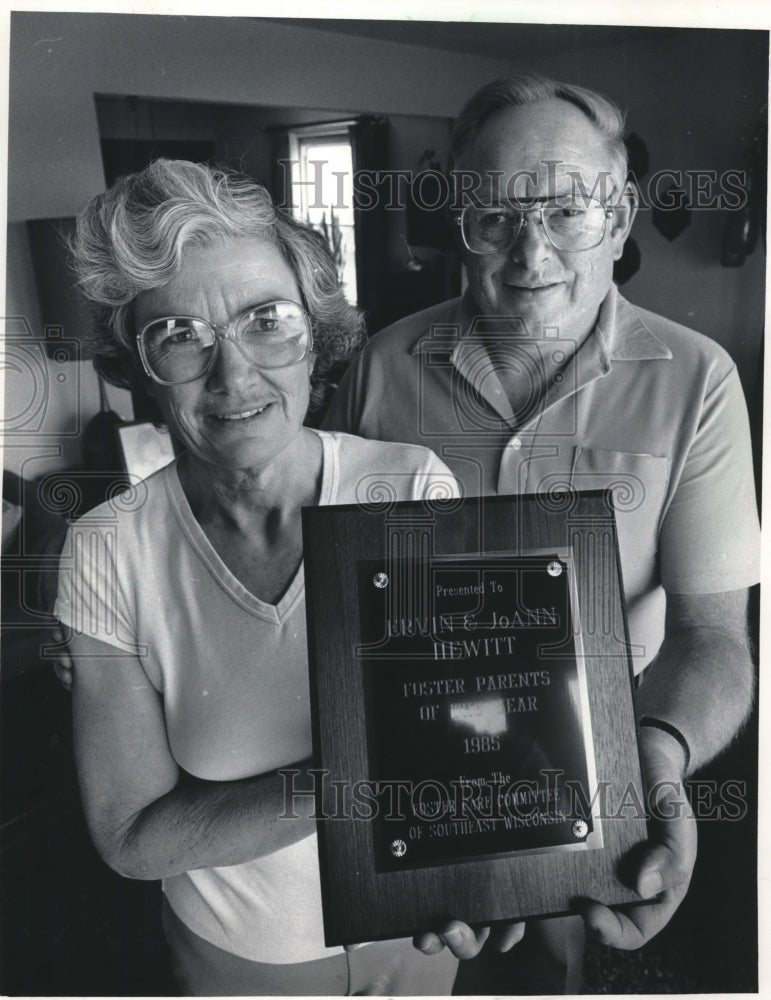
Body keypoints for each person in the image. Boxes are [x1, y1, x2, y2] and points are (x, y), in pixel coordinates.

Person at [324, 74, 759, 987]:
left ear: (622, 215)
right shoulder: (379, 368)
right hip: (414, 773)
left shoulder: (699, 380)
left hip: (598, 778)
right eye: (494, 219)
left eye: (567, 212)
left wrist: (662, 755)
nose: (530, 255)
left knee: (561, 969)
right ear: (458, 225)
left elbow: (713, 636)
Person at [54, 158, 494, 995]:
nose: (233, 375)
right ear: (136, 368)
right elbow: (132, 838)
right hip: (242, 962)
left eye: (266, 319)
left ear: (315, 335)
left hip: (414, 932)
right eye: (178, 336)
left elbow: (469, 723)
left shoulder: (403, 487)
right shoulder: (107, 549)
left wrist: (471, 866)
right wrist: (364, 779)